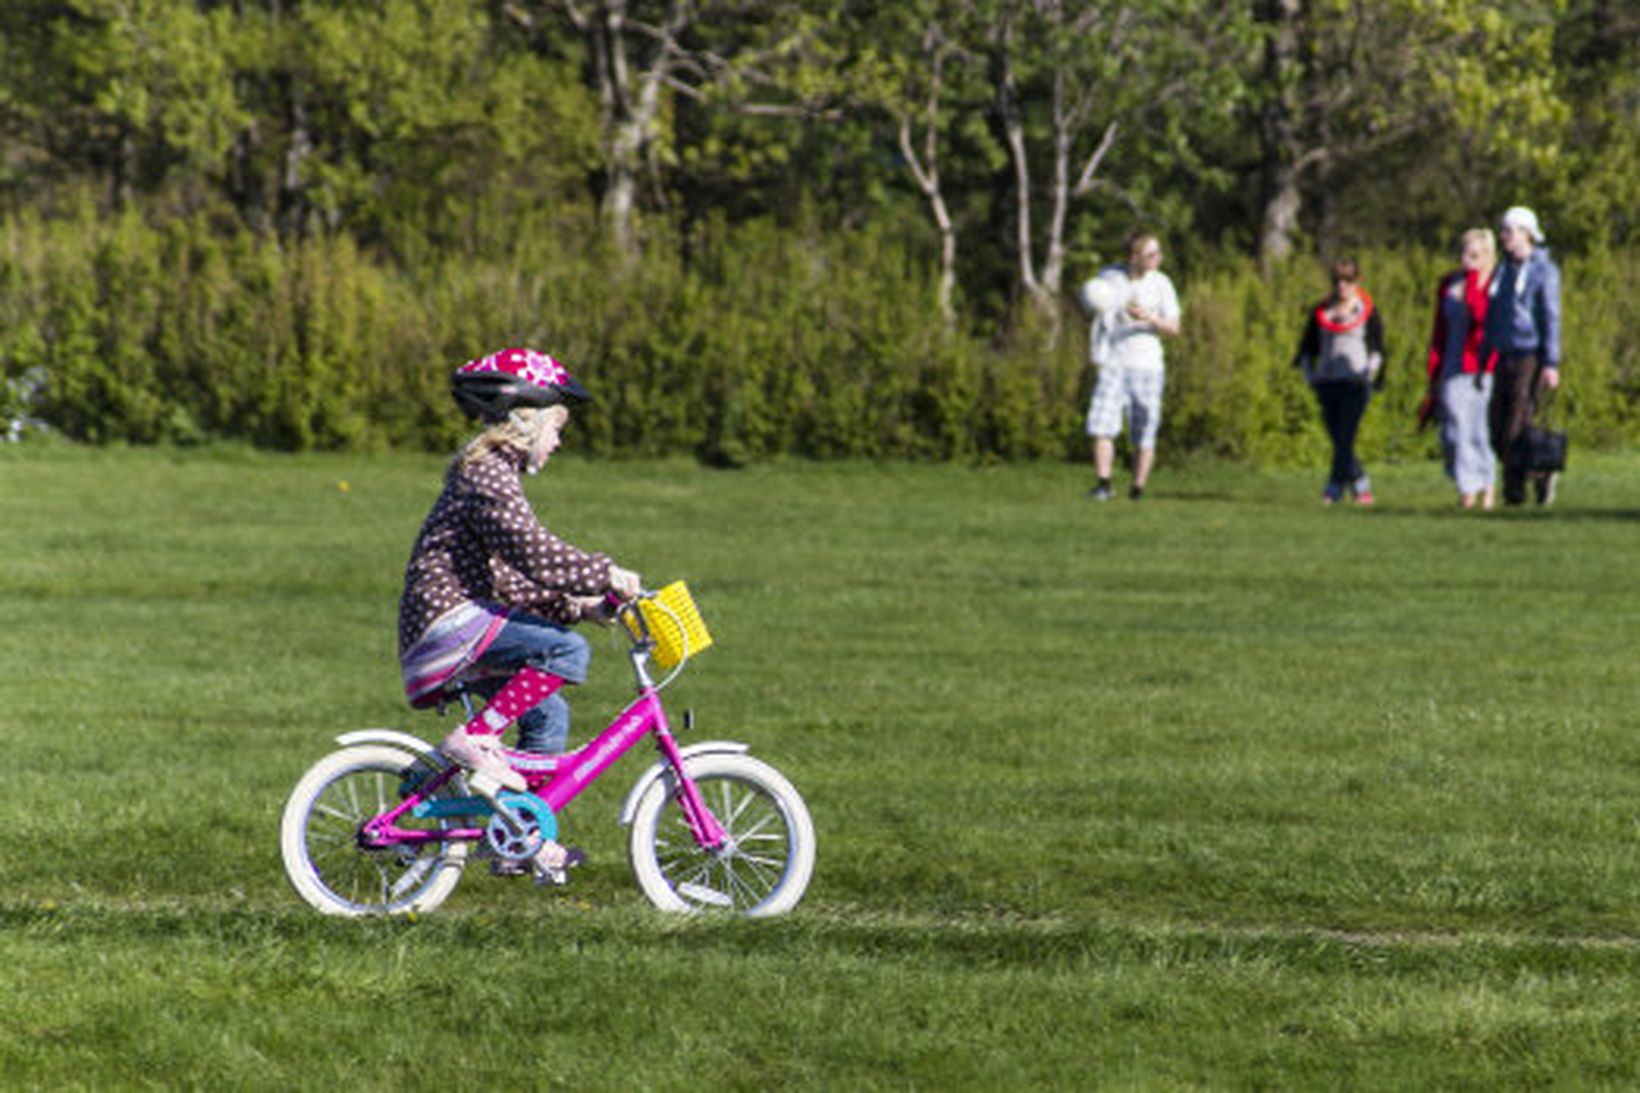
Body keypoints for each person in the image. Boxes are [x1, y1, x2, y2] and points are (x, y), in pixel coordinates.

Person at [397, 347, 642, 876]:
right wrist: (605, 573)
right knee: (564, 649)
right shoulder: (488, 474)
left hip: (456, 626)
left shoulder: (489, 476)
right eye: (557, 428)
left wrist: (580, 605)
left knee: (547, 713)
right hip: (448, 624)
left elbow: (511, 577)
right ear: (525, 420)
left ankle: (515, 836)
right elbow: (533, 552)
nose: (558, 443)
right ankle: (476, 739)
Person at [1082, 231, 1181, 501]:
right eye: (1151, 254)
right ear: (1134, 257)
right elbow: (1092, 301)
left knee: (1144, 428)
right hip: (1113, 362)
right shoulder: (1109, 276)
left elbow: (1174, 327)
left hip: (1147, 365)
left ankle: (1137, 489)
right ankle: (1103, 484)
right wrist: (1093, 304)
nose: (1158, 258)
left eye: (1158, 253)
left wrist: (1148, 317)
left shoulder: (1161, 284)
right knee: (1101, 423)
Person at [1480, 205, 1562, 506]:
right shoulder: (1503, 271)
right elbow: (1493, 316)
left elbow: (1550, 317)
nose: (1504, 237)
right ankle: (1538, 472)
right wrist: (1484, 356)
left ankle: (1513, 493)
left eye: (1509, 231)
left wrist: (1551, 362)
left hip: (1530, 354)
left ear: (1526, 233)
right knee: (1496, 425)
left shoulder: (1543, 270)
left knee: (1516, 423)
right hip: (1504, 353)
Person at [1293, 257, 1386, 505]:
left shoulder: (1366, 310)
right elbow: (1307, 347)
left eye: (1348, 280)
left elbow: (1377, 346)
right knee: (1337, 436)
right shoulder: (1321, 311)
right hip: (1327, 381)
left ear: (1357, 281)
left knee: (1346, 433)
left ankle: (1333, 487)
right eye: (1337, 280)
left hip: (1355, 382)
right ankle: (1359, 483)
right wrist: (1309, 375)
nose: (1342, 285)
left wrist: (1371, 372)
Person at [1423, 229, 1499, 509]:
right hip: (1451, 364)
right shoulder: (1448, 284)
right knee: (1453, 430)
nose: (1466, 259)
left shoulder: (1493, 283)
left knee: (1478, 429)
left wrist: (1473, 285)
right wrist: (1433, 367)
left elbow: (1484, 319)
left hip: (1480, 365)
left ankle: (1484, 487)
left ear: (1487, 256)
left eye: (1474, 255)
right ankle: (1467, 484)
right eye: (1464, 253)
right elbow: (1440, 328)